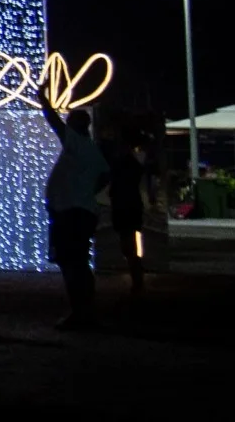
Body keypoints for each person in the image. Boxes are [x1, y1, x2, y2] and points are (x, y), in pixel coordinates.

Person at [44, 102, 110, 328]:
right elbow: (105, 176)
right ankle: (85, 310)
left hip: (69, 214)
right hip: (80, 212)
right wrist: (86, 190)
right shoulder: (91, 149)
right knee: (79, 262)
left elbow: (54, 123)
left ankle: (80, 313)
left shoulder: (75, 143)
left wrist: (43, 99)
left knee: (71, 263)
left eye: (70, 123)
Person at [104, 129, 150, 294]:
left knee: (128, 244)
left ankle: (137, 279)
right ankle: (137, 277)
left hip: (124, 207)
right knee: (130, 243)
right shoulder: (134, 164)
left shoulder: (122, 165)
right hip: (131, 206)